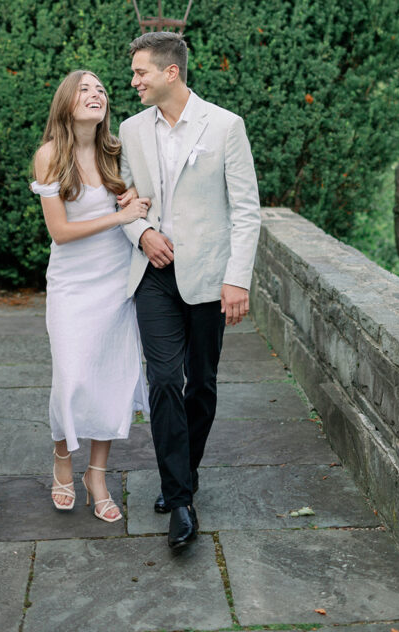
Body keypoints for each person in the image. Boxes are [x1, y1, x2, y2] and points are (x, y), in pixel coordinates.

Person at [118, 32, 261, 550]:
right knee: (161, 380)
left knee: (200, 384)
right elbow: (127, 195)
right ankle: (180, 500)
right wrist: (143, 234)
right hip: (154, 273)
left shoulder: (225, 126)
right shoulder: (131, 130)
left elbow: (245, 210)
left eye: (141, 73)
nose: (133, 82)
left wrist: (237, 278)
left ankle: (184, 473)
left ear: (170, 72)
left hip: (207, 275)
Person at [31, 70, 150, 522]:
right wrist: (119, 219)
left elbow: (145, 197)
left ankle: (96, 475)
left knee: (112, 377)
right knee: (73, 376)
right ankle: (63, 458)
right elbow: (60, 233)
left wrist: (136, 196)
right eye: (85, 88)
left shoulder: (117, 152)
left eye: (101, 88)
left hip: (118, 283)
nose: (95, 93)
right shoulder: (50, 156)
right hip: (73, 284)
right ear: (67, 102)